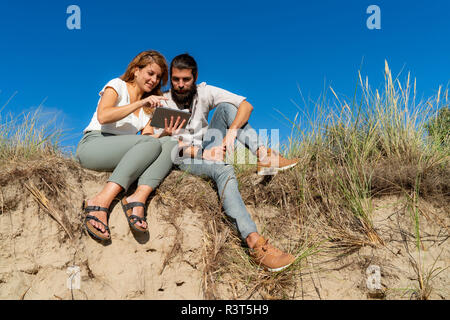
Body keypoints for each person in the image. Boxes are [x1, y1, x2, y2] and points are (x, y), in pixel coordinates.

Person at [164, 53, 299, 272]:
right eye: (175, 79)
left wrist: (228, 137)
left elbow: (246, 106)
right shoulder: (164, 101)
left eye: (185, 79)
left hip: (207, 146)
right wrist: (203, 154)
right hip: (182, 158)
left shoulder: (205, 92)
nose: (180, 85)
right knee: (224, 169)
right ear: (170, 78)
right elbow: (163, 144)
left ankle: (264, 156)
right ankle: (254, 243)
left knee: (228, 108)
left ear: (195, 77)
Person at [76, 50, 185, 241]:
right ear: (136, 70)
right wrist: (140, 102)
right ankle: (100, 201)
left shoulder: (149, 109)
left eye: (158, 77)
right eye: (150, 73)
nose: (154, 80)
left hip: (121, 152)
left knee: (171, 143)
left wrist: (167, 132)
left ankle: (138, 198)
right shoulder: (117, 85)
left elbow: (151, 142)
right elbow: (104, 115)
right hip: (94, 144)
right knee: (150, 142)